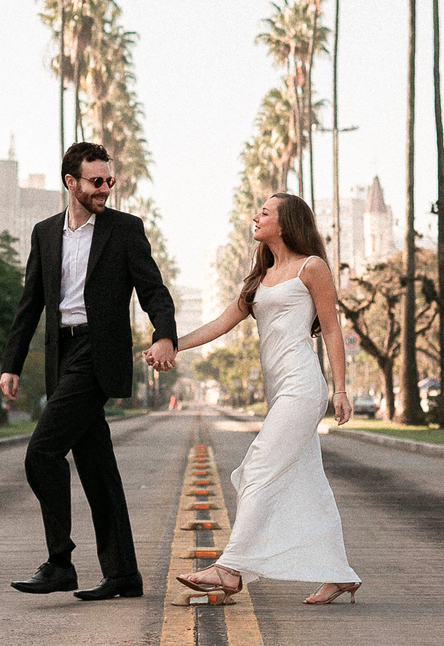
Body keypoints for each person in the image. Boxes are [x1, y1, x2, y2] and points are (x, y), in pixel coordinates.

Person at [153, 192, 362, 605]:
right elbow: (218, 325)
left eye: (264, 213)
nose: (255, 216)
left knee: (258, 469)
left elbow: (332, 329)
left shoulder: (311, 267)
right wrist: (171, 345)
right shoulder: (260, 278)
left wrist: (340, 389)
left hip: (303, 386)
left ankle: (229, 569)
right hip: (279, 390)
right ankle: (339, 574)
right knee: (308, 484)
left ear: (284, 224)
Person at [0, 142, 178, 602]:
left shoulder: (124, 230)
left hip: (99, 354)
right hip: (63, 355)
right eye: (96, 181)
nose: (105, 189)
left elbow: (153, 289)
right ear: (71, 183)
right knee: (98, 469)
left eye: (109, 180)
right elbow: (31, 304)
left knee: (41, 453)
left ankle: (60, 562)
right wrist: (11, 365)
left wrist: (165, 334)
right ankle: (123, 575)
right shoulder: (44, 233)